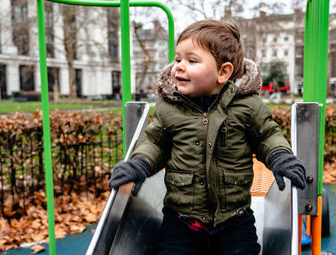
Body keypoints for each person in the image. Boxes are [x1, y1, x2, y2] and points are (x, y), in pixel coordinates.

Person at [109, 19, 306, 254]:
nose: (179, 66)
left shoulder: (246, 106)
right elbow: (156, 142)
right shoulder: (169, 107)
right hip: (180, 220)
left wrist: (280, 157)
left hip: (234, 220)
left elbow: (267, 136)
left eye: (192, 61)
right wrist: (140, 163)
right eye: (178, 58)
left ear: (223, 72)